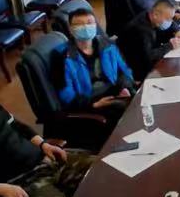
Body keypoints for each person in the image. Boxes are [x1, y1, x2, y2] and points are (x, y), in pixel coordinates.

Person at [52, 8, 136, 138]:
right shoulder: (61, 56)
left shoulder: (108, 44)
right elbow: (66, 95)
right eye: (79, 24)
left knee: (142, 105)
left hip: (115, 93)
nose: (86, 27)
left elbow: (125, 71)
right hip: (90, 102)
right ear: (70, 29)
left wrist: (125, 87)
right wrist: (92, 104)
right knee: (129, 124)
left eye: (89, 23)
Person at [119, 0, 180, 80]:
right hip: (134, 68)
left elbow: (169, 24)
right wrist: (170, 46)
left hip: (143, 59)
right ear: (155, 15)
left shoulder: (150, 16)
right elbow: (148, 57)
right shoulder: (142, 30)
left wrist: (177, 31)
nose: (170, 22)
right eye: (168, 19)